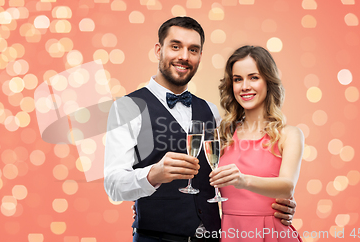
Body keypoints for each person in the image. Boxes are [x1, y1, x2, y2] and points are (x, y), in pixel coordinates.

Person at [104, 17, 296, 242]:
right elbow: (114, 185)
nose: (184, 56)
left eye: (193, 49)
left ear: (199, 56)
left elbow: (243, 167)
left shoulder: (211, 112)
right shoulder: (126, 108)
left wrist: (279, 204)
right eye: (175, 46)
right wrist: (152, 174)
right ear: (158, 50)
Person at [209, 45, 304, 241]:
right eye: (238, 79)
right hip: (230, 233)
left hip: (272, 233)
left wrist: (242, 180)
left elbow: (287, 186)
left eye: (254, 77)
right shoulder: (222, 135)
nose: (245, 86)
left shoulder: (289, 135)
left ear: (268, 81)